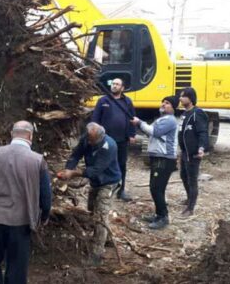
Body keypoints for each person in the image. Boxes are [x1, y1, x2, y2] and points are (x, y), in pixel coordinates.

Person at [0, 121, 51, 284]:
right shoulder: (38, 160)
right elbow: (45, 194)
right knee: (17, 266)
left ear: (12, 134)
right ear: (30, 136)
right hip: (21, 221)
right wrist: (45, 215)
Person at [58, 122, 121, 265]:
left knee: (100, 216)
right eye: (89, 140)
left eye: (93, 141)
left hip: (108, 182)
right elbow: (75, 155)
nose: (91, 143)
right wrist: (68, 168)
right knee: (93, 210)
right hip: (96, 182)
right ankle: (107, 238)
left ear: (101, 137)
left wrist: (73, 173)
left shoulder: (109, 146)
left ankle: (96, 255)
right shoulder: (86, 140)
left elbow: (95, 171)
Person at [131, 96, 179, 229]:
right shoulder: (161, 119)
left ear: (173, 107)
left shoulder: (170, 120)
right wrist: (138, 134)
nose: (163, 104)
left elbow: (155, 132)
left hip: (164, 159)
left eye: (167, 103)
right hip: (157, 157)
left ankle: (163, 217)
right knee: (156, 187)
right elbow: (150, 133)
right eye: (163, 102)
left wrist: (139, 122)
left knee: (156, 188)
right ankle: (159, 214)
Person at [91, 77, 136, 202]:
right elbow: (95, 120)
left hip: (122, 139)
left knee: (122, 164)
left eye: (117, 84)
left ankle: (121, 190)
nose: (114, 86)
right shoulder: (103, 101)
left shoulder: (127, 102)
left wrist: (132, 134)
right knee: (103, 163)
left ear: (122, 88)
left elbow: (132, 119)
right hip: (106, 141)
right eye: (113, 84)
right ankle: (102, 188)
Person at [178, 88, 209, 217]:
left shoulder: (197, 113)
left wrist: (201, 148)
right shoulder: (184, 114)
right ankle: (189, 198)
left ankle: (190, 208)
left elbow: (203, 132)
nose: (180, 99)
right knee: (183, 176)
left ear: (190, 98)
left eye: (183, 96)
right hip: (184, 153)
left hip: (193, 154)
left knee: (192, 180)